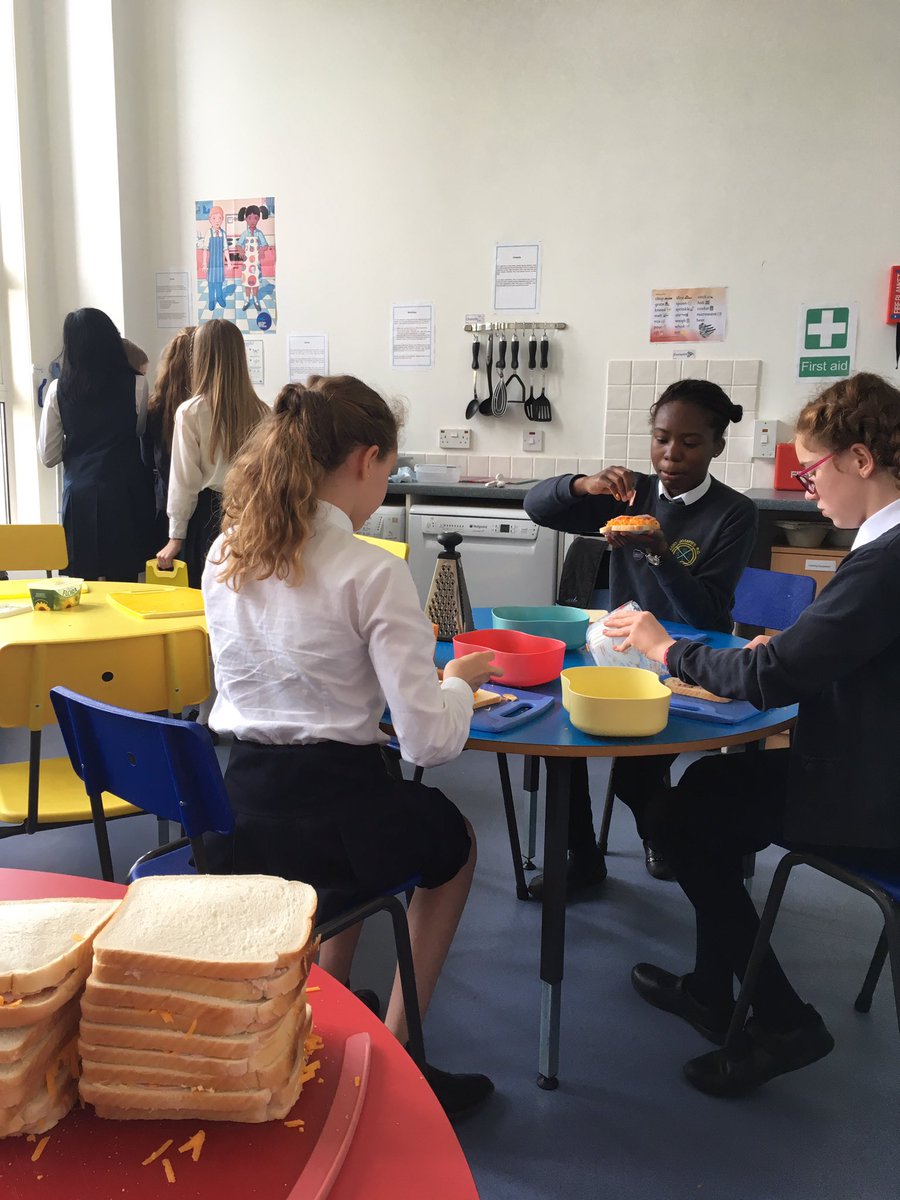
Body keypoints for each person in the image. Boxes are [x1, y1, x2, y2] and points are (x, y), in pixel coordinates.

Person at [201, 374, 499, 1120]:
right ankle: (403, 1050)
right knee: (450, 840)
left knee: (367, 814)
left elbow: (284, 671)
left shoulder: (226, 553)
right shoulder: (374, 569)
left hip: (233, 818)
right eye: (389, 472)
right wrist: (458, 684)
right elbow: (428, 741)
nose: (383, 489)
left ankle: (325, 1008)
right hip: (331, 824)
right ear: (365, 459)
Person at [603, 371, 900, 1097]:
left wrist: (660, 646)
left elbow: (772, 681)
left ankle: (782, 1020)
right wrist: (794, 646)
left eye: (812, 469)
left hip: (873, 800)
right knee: (710, 788)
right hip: (873, 767)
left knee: (682, 817)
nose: (806, 488)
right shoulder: (883, 550)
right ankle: (710, 988)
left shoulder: (886, 562)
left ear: (860, 460)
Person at [524, 378, 756, 898]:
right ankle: (583, 861)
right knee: (559, 737)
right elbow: (536, 506)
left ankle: (665, 835)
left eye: (690, 442)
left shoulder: (734, 513)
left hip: (687, 661)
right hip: (620, 655)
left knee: (635, 780)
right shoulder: (632, 493)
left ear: (717, 445)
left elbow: (709, 613)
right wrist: (584, 485)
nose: (671, 454)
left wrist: (656, 550)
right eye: (661, 438)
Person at [38, 307, 154, 581]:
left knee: (81, 584)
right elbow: (137, 431)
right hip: (125, 493)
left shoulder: (59, 389)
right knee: (124, 584)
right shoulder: (137, 384)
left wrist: (76, 443)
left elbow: (48, 456)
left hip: (79, 495)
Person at [156, 319, 267, 587]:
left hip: (205, 518)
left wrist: (175, 537)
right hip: (250, 515)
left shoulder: (190, 412)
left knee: (204, 602)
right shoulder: (264, 411)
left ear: (200, 357)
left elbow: (184, 483)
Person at [142, 326, 196, 548]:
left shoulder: (155, 406)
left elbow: (147, 459)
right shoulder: (201, 409)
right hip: (202, 508)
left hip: (163, 502)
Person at [235, 204, 269, 312]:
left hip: (256, 263)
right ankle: (246, 300)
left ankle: (255, 299)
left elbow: (265, 245)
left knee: (256, 283)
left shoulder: (259, 234)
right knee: (247, 283)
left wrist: (262, 250)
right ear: (246, 219)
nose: (252, 221)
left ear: (258, 219)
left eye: (255, 218)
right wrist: (240, 251)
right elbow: (239, 245)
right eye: (250, 218)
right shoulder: (245, 234)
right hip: (247, 262)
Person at [204, 205, 229, 311]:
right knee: (211, 284)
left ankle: (219, 298)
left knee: (219, 282)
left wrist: (229, 262)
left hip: (220, 264)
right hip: (211, 264)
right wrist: (204, 264)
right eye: (214, 218)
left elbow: (225, 249)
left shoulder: (223, 234)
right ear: (210, 219)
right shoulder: (208, 233)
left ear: (222, 219)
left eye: (219, 218)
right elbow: (205, 250)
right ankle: (211, 301)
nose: (217, 221)